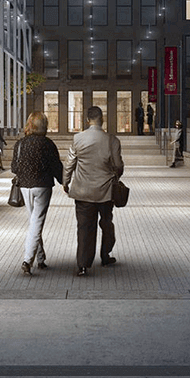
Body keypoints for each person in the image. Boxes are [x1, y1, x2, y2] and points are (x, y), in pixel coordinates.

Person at [63, 106, 125, 276]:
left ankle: (83, 265)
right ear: (102, 119)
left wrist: (65, 182)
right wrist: (116, 173)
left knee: (84, 228)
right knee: (106, 223)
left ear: (86, 120)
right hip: (105, 192)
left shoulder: (78, 138)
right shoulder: (112, 140)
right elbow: (118, 166)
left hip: (83, 192)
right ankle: (105, 256)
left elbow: (69, 163)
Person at [12, 111, 64, 275]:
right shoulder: (48, 144)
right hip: (42, 186)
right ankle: (28, 260)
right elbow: (56, 167)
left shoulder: (20, 144)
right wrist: (65, 183)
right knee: (37, 222)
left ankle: (40, 258)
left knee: (34, 221)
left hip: (25, 186)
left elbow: (14, 167)